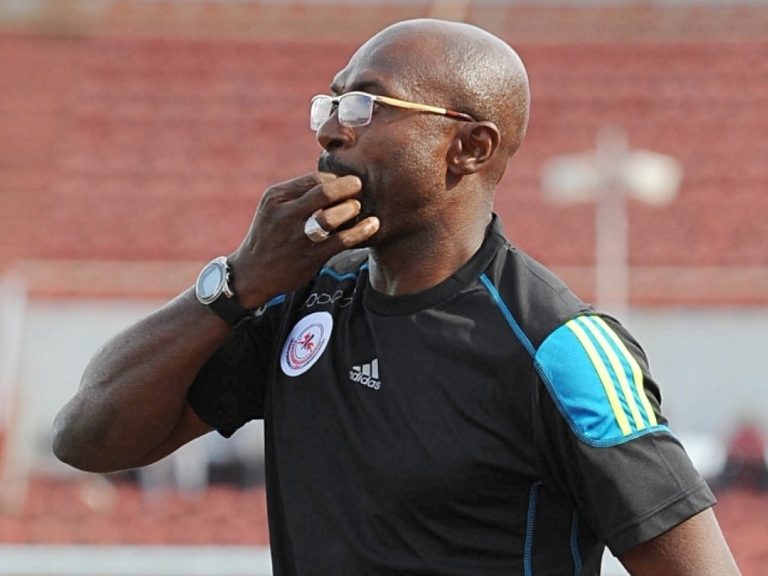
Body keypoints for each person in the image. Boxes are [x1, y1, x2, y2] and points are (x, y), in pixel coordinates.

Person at [52, 18, 740, 576]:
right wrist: (238, 283)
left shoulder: (560, 348)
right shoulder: (304, 302)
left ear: (469, 147)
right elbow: (88, 438)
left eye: (366, 106)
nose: (330, 129)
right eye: (330, 103)